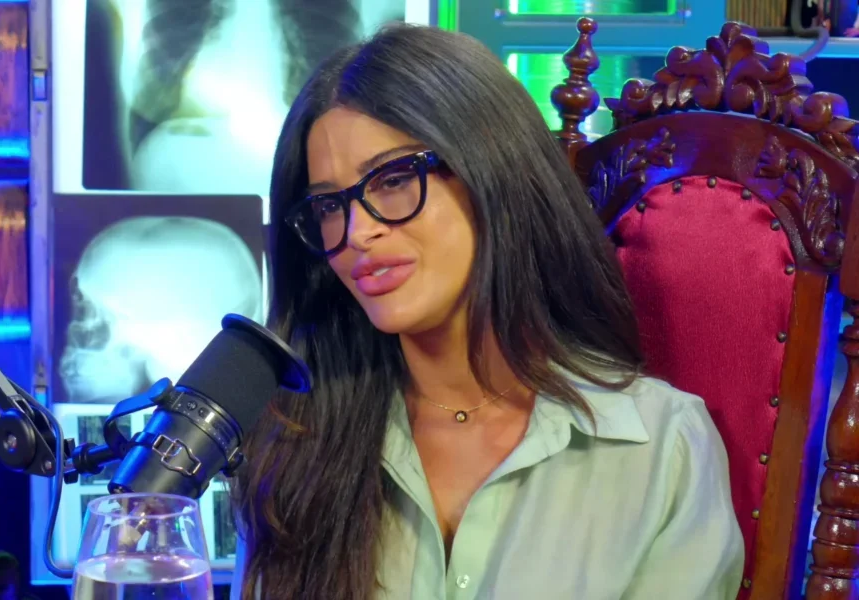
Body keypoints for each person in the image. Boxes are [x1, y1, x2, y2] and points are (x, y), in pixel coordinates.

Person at [230, 23, 744, 600]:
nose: (356, 232)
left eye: (394, 179)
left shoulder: (661, 448)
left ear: (492, 172)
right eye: (328, 205)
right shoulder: (295, 443)